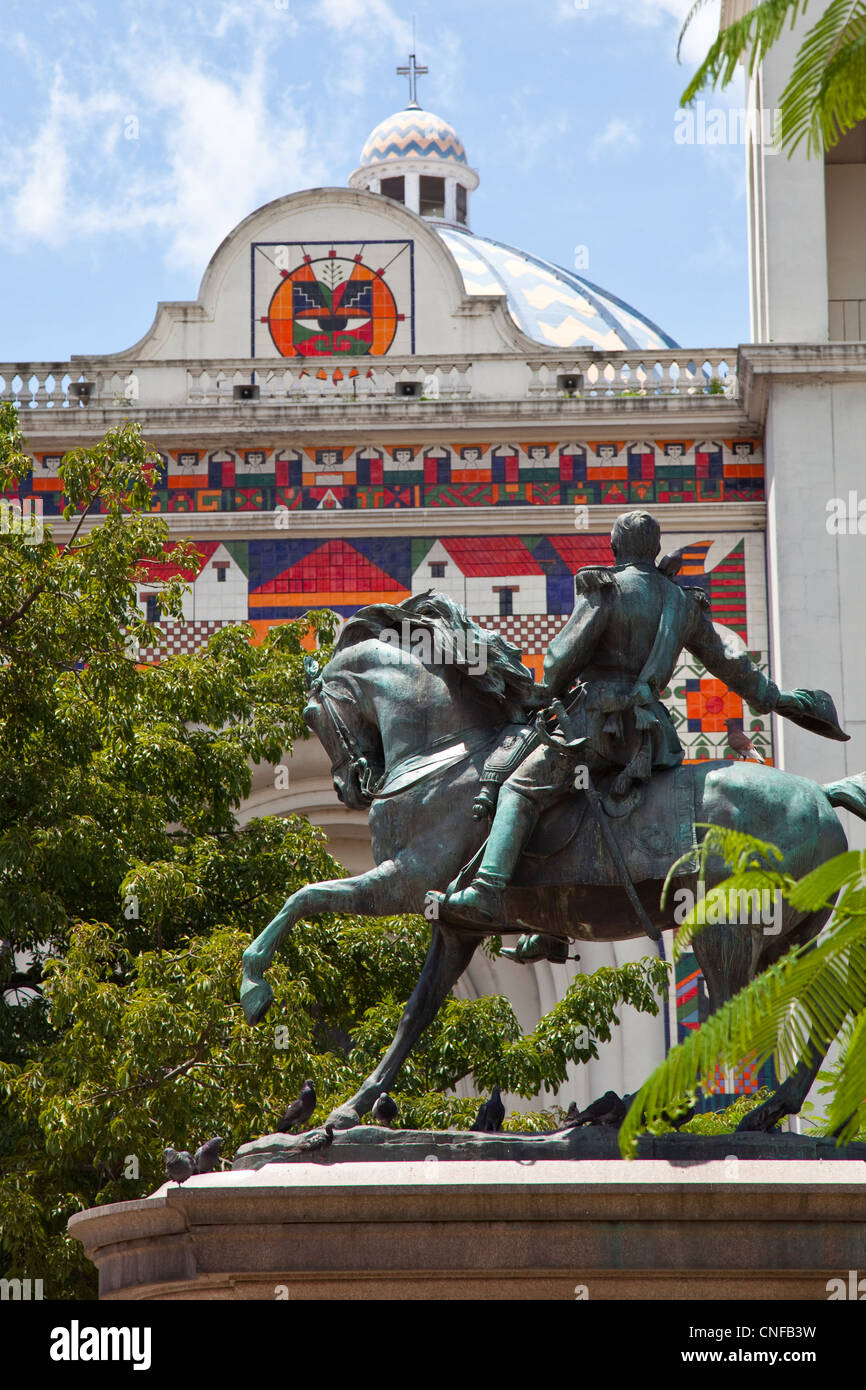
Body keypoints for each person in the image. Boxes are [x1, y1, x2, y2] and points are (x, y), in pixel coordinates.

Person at [440, 510, 845, 934]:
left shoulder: (607, 591)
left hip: (592, 727)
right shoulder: (681, 601)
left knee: (521, 788)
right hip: (650, 740)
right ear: (655, 550)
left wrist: (548, 686)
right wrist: (774, 698)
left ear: (615, 549)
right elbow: (729, 662)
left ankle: (487, 890)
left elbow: (560, 659)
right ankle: (547, 934)